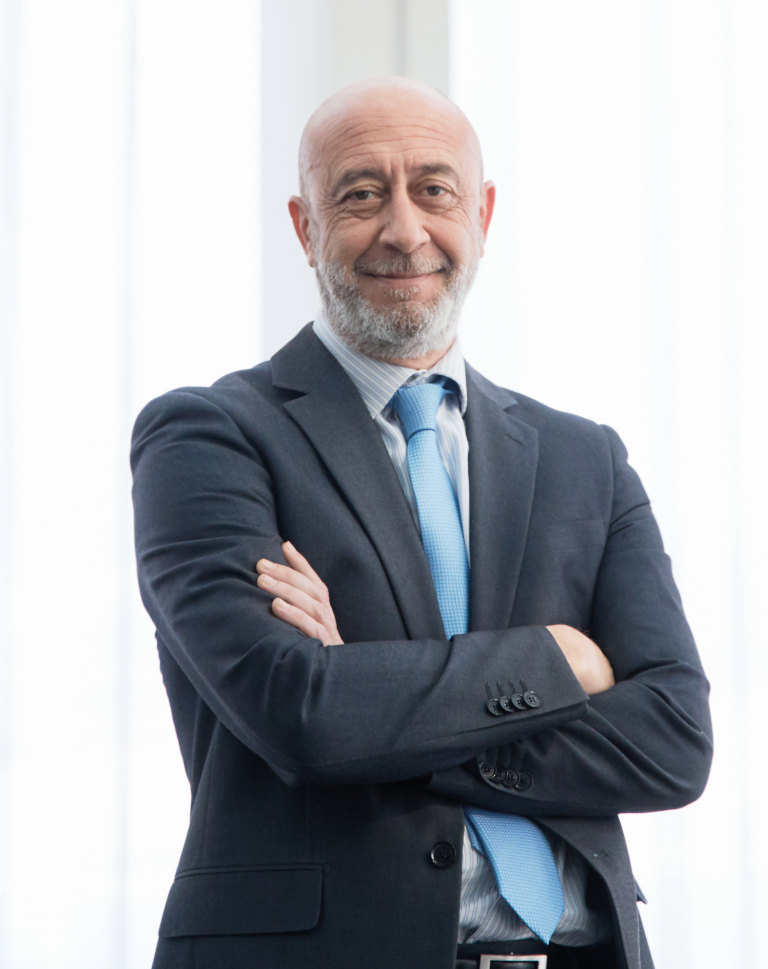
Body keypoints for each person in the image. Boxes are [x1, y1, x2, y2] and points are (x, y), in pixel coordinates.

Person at [131, 77, 712, 969]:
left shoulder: (585, 458)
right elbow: (297, 711)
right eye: (361, 194)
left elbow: (674, 741)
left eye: (434, 190)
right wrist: (557, 662)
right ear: (305, 227)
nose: (405, 230)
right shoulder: (206, 437)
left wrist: (370, 707)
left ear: (482, 214)